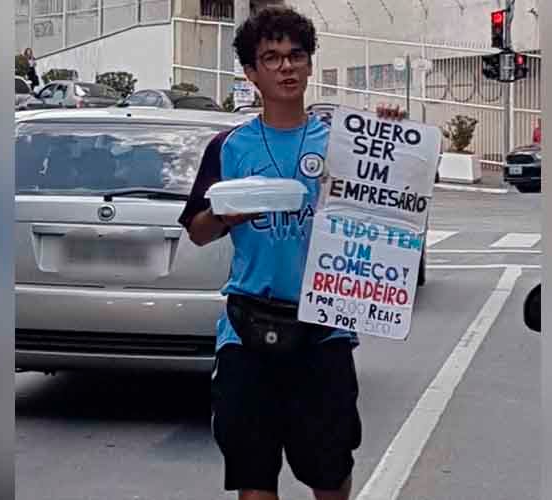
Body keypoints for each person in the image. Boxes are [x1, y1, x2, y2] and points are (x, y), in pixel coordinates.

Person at [177, 6, 406, 500]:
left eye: (296, 56)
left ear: (308, 63)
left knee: (329, 474)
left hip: (324, 331)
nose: (286, 67)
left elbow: (395, 206)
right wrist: (224, 216)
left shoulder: (345, 140)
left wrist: (390, 138)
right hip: (247, 329)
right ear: (251, 73)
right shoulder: (228, 146)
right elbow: (196, 231)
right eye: (272, 57)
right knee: (254, 480)